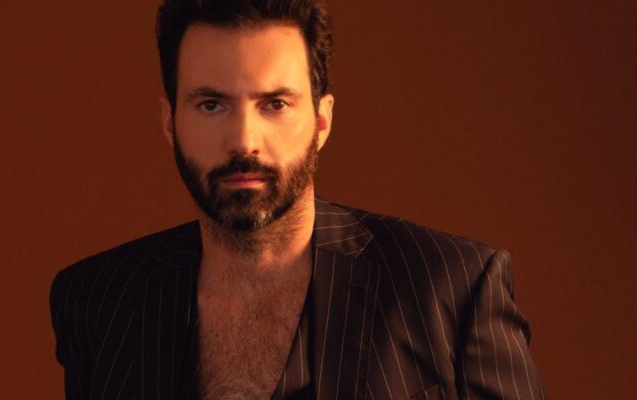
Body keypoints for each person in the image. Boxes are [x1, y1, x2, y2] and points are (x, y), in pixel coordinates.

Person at [49, 0, 545, 399]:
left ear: (322, 120)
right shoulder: (97, 301)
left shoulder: (452, 287)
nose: (244, 141)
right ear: (169, 122)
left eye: (275, 104)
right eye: (212, 105)